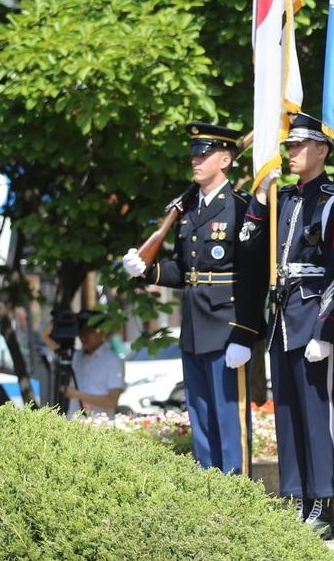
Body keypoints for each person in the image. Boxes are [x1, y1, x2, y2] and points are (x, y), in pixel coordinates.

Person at [121, 122, 261, 473]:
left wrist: (244, 332)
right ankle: (208, 493)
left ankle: (236, 498)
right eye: (194, 155)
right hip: (195, 325)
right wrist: (147, 271)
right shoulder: (188, 211)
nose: (196, 160)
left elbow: (254, 275)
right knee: (201, 417)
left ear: (226, 159)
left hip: (227, 324)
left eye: (205, 154)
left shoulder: (242, 208)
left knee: (230, 420)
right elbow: (185, 271)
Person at [243, 112, 334, 540]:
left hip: (312, 314)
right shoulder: (284, 199)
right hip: (282, 317)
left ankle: (324, 504)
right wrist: (258, 198)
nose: (291, 153)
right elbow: (249, 247)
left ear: (321, 151)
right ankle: (296, 496)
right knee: (287, 411)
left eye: (299, 146)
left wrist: (329, 328)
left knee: (316, 411)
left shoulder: (332, 199)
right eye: (288, 147)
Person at [44, 311, 124, 419]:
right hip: (74, 425)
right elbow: (46, 337)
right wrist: (60, 320)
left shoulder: (112, 360)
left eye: (89, 331)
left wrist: (76, 394)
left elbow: (111, 402)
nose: (84, 336)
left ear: (102, 332)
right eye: (81, 331)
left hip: (99, 426)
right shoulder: (75, 356)